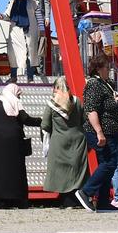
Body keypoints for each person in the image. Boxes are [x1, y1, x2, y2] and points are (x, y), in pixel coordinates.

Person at [76, 52, 118, 211]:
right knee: (109, 163)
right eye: (106, 67)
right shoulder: (93, 84)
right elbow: (91, 110)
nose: (109, 69)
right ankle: (85, 192)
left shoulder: (106, 84)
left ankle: (103, 201)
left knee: (108, 163)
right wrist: (99, 132)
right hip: (101, 131)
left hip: (112, 132)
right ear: (98, 68)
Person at [0, 84, 41, 208]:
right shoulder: (15, 102)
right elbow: (25, 119)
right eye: (18, 94)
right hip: (13, 143)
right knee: (15, 170)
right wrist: (41, 121)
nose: (19, 97)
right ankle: (16, 199)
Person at [40, 77, 87, 206]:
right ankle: (77, 199)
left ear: (57, 88)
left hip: (59, 142)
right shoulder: (77, 101)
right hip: (78, 140)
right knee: (76, 170)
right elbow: (84, 120)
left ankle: (66, 200)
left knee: (62, 172)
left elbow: (45, 125)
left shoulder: (51, 104)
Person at [2, 0, 34, 83]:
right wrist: (3, 16)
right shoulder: (13, 0)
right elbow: (8, 12)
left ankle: (30, 77)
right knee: (13, 54)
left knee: (29, 53)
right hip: (15, 29)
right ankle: (13, 76)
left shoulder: (30, 1)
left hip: (27, 30)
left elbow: (35, 14)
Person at [25, 0, 48, 77]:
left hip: (39, 19)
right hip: (28, 20)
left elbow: (47, 2)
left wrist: (47, 17)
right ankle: (29, 68)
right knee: (29, 44)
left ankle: (40, 69)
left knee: (40, 43)